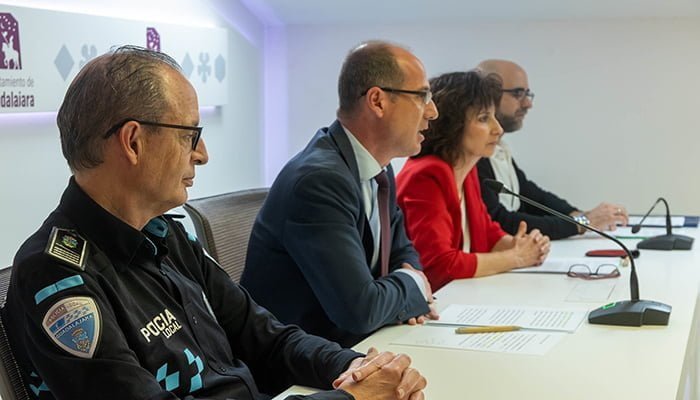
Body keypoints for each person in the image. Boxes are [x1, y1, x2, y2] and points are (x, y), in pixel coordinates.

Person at [1, 46, 427, 400]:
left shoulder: (167, 235)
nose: (202, 154)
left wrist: (359, 366)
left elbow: (267, 338)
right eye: (190, 135)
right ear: (133, 142)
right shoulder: (55, 274)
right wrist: (354, 397)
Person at [241, 41, 440, 347]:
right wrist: (412, 287)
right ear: (377, 101)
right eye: (422, 96)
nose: (432, 111)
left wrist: (404, 293)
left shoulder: (379, 167)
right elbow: (359, 310)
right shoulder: (319, 181)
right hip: (299, 360)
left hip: (357, 344)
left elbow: (403, 253)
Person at [396, 71, 550, 290]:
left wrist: (523, 246)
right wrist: (516, 257)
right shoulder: (426, 176)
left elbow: (487, 234)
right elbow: (439, 266)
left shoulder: (466, 172)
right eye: (483, 118)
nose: (498, 129)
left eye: (494, 116)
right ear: (452, 124)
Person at [475, 59, 629, 240]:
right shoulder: (474, 156)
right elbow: (500, 221)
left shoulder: (499, 149)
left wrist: (580, 215)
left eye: (527, 94)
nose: (527, 104)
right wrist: (582, 223)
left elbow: (531, 196)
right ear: (488, 95)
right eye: (518, 93)